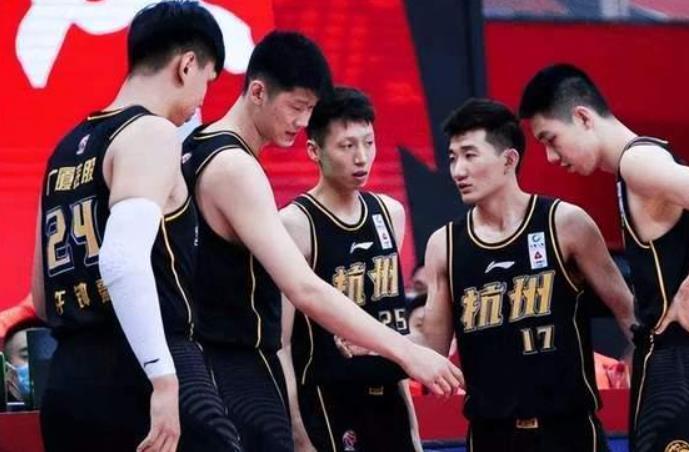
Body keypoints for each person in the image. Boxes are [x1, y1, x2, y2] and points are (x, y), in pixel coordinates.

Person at [181, 32, 462, 452]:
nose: (301, 121)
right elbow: (304, 288)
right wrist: (406, 352)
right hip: (236, 371)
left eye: (310, 109)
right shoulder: (236, 168)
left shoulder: (197, 147)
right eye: (296, 107)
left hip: (218, 368)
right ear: (257, 92)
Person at [519, 63, 689, 452]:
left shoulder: (638, 164)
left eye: (551, 139)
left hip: (676, 371)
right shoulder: (654, 158)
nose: (551, 157)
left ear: (583, 117)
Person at [30, 2, 242, 451]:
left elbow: (44, 299)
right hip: (146, 370)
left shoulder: (63, 150)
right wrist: (163, 379)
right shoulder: (152, 133)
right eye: (207, 82)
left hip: (67, 385)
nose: (202, 102)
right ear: (187, 65)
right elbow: (122, 262)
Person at [414, 98, 636, 451]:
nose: (458, 171)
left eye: (470, 155)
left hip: (569, 433)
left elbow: (628, 313)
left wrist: (664, 379)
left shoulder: (565, 223)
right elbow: (433, 349)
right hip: (491, 436)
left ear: (509, 159)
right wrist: (376, 341)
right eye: (453, 158)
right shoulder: (445, 245)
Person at [279, 86, 422, 452]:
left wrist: (413, 430)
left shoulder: (390, 214)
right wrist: (298, 433)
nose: (362, 157)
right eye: (347, 146)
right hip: (328, 402)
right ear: (314, 151)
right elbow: (282, 343)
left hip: (388, 399)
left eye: (368, 143)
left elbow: (391, 327)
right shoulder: (295, 224)